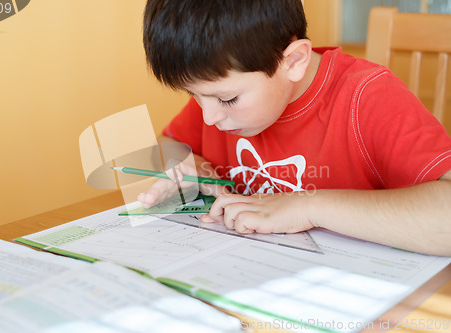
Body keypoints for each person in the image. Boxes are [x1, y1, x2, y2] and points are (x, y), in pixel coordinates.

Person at [139, 0, 451, 256]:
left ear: (293, 61)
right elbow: (166, 144)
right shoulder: (217, 100)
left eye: (229, 98)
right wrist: (193, 167)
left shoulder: (367, 98)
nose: (208, 118)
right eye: (193, 95)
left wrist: (308, 206)